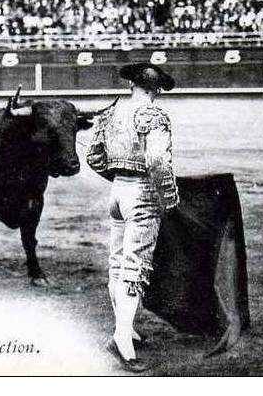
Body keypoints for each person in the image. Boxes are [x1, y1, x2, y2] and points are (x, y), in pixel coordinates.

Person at [101, 62, 179, 372]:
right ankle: (121, 341)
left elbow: (95, 157)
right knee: (135, 266)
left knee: (117, 262)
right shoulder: (154, 115)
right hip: (143, 194)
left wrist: (119, 178)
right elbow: (158, 159)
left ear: (132, 85)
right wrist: (169, 195)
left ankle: (126, 329)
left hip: (117, 193)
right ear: (156, 90)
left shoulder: (112, 112)